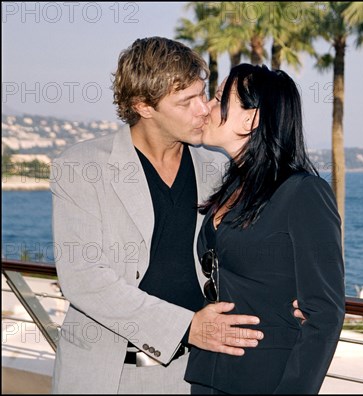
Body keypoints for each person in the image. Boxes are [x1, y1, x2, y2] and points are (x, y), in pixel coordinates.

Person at [50, 37, 303, 394]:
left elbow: (254, 251)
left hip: (195, 375)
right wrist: (186, 327)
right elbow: (85, 279)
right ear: (144, 106)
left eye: (203, 94)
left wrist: (296, 295)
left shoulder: (218, 169)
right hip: (107, 375)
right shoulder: (81, 167)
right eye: (187, 101)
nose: (204, 109)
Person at [184, 64, 346, 394]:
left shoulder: (303, 193)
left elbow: (325, 314)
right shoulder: (231, 187)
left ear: (251, 119)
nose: (208, 107)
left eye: (217, 98)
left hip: (264, 380)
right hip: (208, 375)